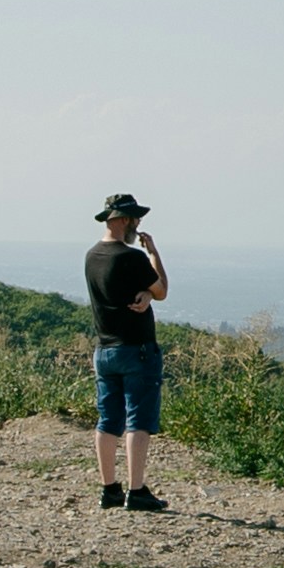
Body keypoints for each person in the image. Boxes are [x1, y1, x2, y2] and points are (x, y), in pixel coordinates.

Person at [85, 193, 170, 511]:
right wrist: (153, 254)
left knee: (108, 420)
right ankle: (137, 491)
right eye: (135, 219)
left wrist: (145, 293)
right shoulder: (132, 257)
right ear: (123, 219)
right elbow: (162, 289)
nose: (138, 224)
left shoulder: (92, 256)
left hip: (104, 350)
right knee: (139, 420)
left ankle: (109, 489)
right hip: (137, 350)